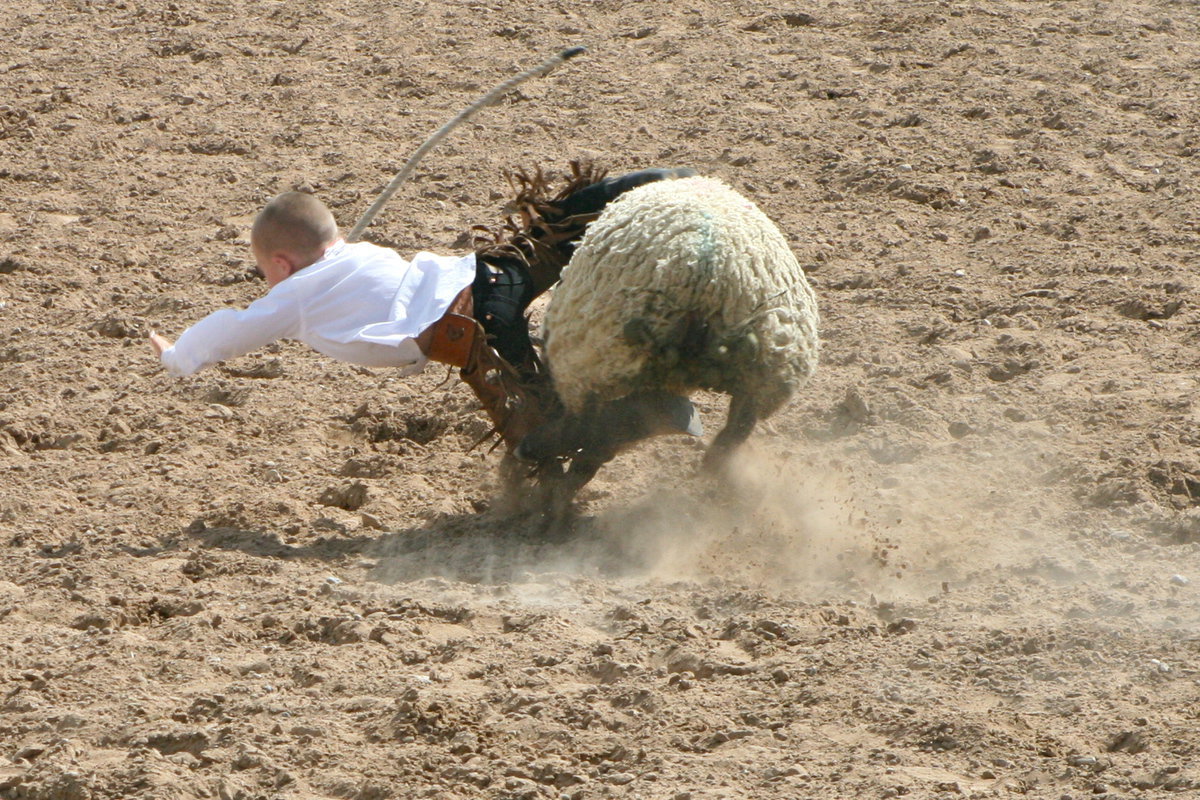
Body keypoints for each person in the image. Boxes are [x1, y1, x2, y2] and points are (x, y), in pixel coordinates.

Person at [149, 167, 696, 379]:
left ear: (280, 265)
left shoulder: (294, 294)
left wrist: (181, 353)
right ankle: (653, 182)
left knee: (540, 414)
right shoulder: (354, 254)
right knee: (554, 227)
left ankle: (626, 407)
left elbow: (234, 326)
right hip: (486, 274)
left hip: (474, 319)